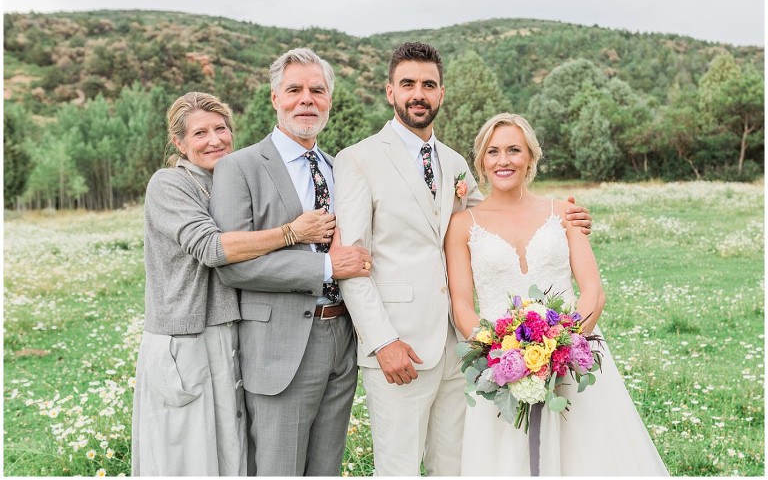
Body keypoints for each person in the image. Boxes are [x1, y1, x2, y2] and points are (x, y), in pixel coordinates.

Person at [333, 42, 593, 475]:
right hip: (401, 346)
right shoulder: (358, 159)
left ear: (441, 93)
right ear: (389, 92)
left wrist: (570, 221)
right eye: (408, 84)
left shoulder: (454, 162)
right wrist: (381, 342)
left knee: (453, 467)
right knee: (397, 468)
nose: (419, 93)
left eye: (428, 85)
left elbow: (493, 219)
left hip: (461, 348)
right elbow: (352, 263)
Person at [445, 113, 668, 475]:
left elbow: (593, 291)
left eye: (514, 150)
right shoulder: (462, 225)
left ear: (531, 157)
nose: (504, 160)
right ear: (481, 162)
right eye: (493, 152)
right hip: (499, 366)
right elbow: (462, 306)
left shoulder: (564, 213)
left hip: (573, 361)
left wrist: (561, 347)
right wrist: (499, 354)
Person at [132, 92, 335, 476]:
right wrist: (292, 231)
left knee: (230, 454)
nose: (214, 140)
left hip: (227, 334)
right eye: (200, 133)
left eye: (221, 129)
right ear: (179, 143)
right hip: (185, 339)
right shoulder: (170, 185)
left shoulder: (232, 181)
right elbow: (210, 247)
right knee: (188, 459)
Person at [209, 48, 372, 476]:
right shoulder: (239, 167)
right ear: (274, 98)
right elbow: (232, 266)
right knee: (279, 468)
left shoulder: (341, 169)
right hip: (280, 346)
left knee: (326, 467)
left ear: (329, 100)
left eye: (317, 90)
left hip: (343, 338)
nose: (306, 99)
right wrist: (325, 269)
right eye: (294, 90)